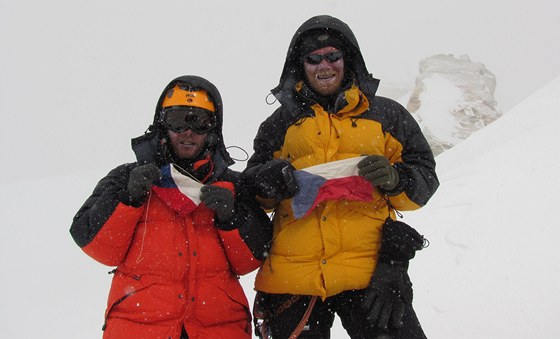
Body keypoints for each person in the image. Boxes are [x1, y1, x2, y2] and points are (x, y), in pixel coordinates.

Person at [243, 15, 439, 338]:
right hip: (295, 279)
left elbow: (425, 179)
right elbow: (254, 194)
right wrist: (271, 179)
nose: (325, 66)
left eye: (333, 56)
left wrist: (395, 180)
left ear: (348, 59)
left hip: (371, 273)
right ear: (300, 64)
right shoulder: (278, 125)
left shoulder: (386, 115)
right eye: (313, 58)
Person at [70, 75, 272, 339]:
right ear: (162, 124)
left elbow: (255, 259)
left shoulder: (231, 185)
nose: (188, 132)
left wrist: (232, 217)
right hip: (139, 328)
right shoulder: (126, 177)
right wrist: (128, 199)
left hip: (218, 328)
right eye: (178, 120)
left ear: (212, 130)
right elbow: (96, 245)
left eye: (199, 122)